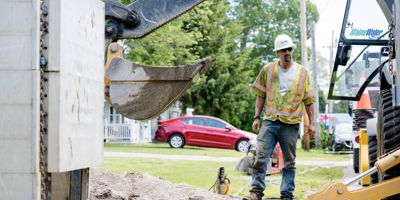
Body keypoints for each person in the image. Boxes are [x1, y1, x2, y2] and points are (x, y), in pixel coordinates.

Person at [243, 34, 315, 200]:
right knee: (260, 156)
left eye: (290, 49)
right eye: (284, 50)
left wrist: (311, 124)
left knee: (289, 162)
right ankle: (256, 192)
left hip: (291, 125)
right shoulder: (267, 70)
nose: (287, 52)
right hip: (270, 121)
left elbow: (309, 100)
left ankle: (287, 195)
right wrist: (256, 117)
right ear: (278, 52)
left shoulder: (302, 73)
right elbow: (260, 95)